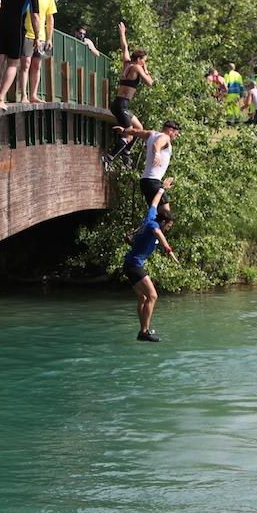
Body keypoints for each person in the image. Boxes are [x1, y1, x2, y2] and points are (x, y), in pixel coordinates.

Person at [122, 177, 179, 342]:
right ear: (164, 223)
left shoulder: (152, 215)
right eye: (169, 225)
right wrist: (169, 251)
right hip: (133, 265)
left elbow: (154, 202)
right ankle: (144, 332)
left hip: (130, 264)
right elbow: (159, 234)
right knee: (152, 296)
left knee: (143, 297)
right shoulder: (154, 226)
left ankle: (142, 331)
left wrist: (162, 189)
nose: (169, 228)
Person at [104, 21, 154, 166]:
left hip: (120, 103)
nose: (144, 63)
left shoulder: (127, 63)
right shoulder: (137, 68)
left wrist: (122, 34)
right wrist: (145, 70)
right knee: (130, 134)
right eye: (144, 61)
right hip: (122, 105)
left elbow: (124, 47)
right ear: (139, 60)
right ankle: (110, 157)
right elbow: (149, 82)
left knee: (139, 129)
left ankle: (126, 152)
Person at [115, 120, 181, 218]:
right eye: (177, 133)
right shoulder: (165, 137)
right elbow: (157, 144)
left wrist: (124, 131)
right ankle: (155, 232)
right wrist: (157, 153)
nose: (178, 136)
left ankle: (151, 230)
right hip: (153, 182)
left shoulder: (152, 134)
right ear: (170, 130)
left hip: (145, 182)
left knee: (156, 214)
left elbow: (136, 132)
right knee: (166, 217)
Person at [17, 0, 56, 103]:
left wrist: (49, 38)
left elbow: (50, 18)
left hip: (42, 36)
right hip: (27, 32)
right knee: (25, 64)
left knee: (36, 65)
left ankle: (33, 94)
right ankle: (23, 95)